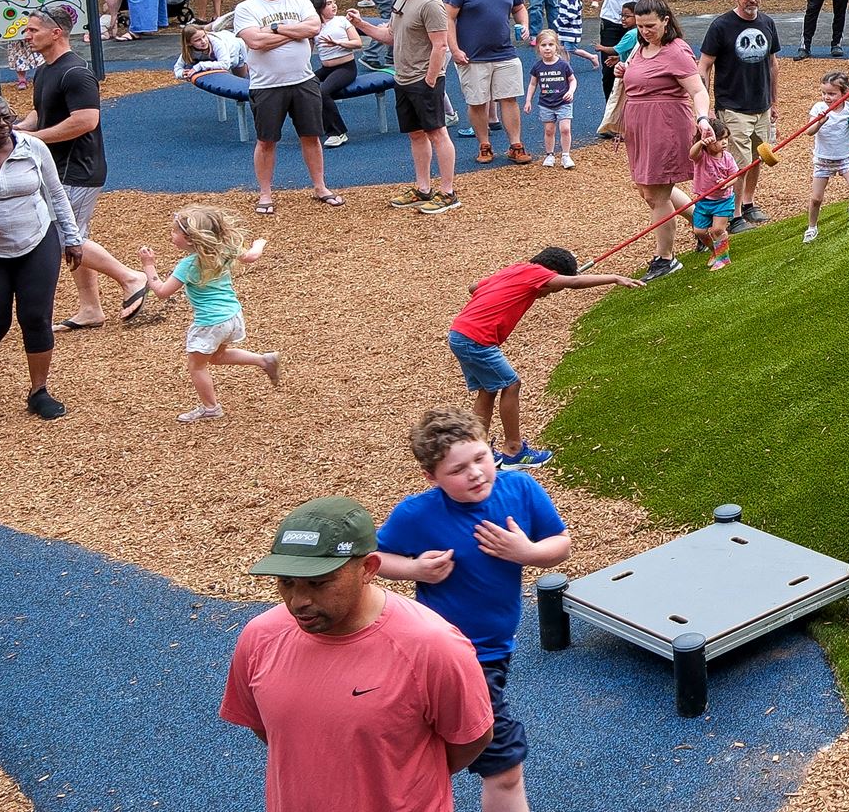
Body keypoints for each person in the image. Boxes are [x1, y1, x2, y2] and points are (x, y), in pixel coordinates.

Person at [222, 496, 495, 812]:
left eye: (318, 583)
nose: (298, 601)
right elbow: (267, 729)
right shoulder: (259, 638)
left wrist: (401, 779)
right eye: (286, 582)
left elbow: (472, 738)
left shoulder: (433, 646)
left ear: (368, 568)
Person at [375, 411, 574, 812]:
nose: (477, 474)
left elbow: (561, 543)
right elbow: (373, 557)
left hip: (493, 652)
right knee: (504, 767)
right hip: (443, 653)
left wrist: (529, 553)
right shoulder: (418, 514)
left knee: (432, 753)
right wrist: (413, 569)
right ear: (432, 477)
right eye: (458, 469)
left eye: (481, 458)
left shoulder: (520, 488)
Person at [13, 6, 146, 331]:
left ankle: (131, 278)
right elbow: (41, 112)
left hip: (79, 168)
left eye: (33, 30)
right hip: (58, 168)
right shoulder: (46, 71)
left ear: (56, 33)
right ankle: (90, 309)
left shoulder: (75, 73)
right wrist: (16, 131)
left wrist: (34, 140)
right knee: (73, 236)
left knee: (60, 238)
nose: (27, 35)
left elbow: (86, 120)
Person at [448, 247, 638, 463]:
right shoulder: (537, 274)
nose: (547, 293)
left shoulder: (516, 270)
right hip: (477, 339)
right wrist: (614, 278)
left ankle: (476, 450)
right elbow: (573, 283)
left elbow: (474, 288)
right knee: (511, 384)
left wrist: (507, 292)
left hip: (459, 334)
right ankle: (514, 451)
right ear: (553, 273)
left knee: (488, 390)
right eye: (551, 288)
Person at [0, 92, 80, 418]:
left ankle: (39, 391)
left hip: (36, 241)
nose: (2, 125)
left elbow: (55, 194)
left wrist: (72, 238)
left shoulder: (31, 147)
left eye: (6, 117)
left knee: (36, 318)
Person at [131, 203, 280, 422]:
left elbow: (162, 292)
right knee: (217, 356)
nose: (171, 235)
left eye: (175, 232)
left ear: (190, 238)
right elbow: (251, 256)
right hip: (232, 316)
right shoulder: (224, 249)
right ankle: (264, 361)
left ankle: (210, 408)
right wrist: (260, 243)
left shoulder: (188, 265)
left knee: (196, 366)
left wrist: (148, 266)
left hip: (210, 323)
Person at [233, 0, 345, 214]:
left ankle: (320, 186)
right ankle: (265, 193)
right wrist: (290, 30)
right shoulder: (247, 8)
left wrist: (272, 30)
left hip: (303, 80)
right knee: (266, 140)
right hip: (267, 85)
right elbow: (255, 42)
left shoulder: (299, 1)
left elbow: (313, 28)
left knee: (311, 135)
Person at [353, 0, 461, 214]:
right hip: (402, 77)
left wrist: (430, 80)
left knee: (437, 132)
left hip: (423, 79)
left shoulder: (430, 3)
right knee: (415, 134)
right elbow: (390, 36)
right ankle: (423, 188)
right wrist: (361, 24)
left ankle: (448, 192)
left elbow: (440, 46)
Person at [620, 0, 716, 282]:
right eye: (640, 26)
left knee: (655, 193)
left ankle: (666, 258)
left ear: (665, 21)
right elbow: (639, 76)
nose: (645, 31)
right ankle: (703, 223)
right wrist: (624, 71)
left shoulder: (675, 51)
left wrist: (702, 119)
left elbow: (698, 91)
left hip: (665, 125)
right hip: (640, 127)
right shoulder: (640, 47)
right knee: (647, 187)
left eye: (650, 25)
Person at [699, 0, 781, 224]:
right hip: (733, 105)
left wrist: (774, 101)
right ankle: (732, 215)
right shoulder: (721, 26)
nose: (752, 0)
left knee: (757, 157)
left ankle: (748, 203)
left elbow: (773, 64)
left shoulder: (767, 23)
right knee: (737, 162)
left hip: (761, 104)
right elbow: (704, 66)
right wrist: (708, 107)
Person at [446, 0, 531, 168]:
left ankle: (515, 144)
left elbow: (519, 8)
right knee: (477, 101)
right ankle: (484, 144)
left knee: (510, 97)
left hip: (504, 51)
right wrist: (454, 49)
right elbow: (448, 18)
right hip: (472, 55)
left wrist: (524, 24)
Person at [800, 70, 849, 243]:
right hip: (823, 161)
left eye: (832, 94)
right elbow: (809, 132)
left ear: (844, 93)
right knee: (816, 198)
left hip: (845, 158)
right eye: (824, 93)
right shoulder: (819, 108)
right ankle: (812, 227)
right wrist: (819, 122)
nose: (827, 97)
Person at [595, 0, 660, 102]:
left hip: (637, 23)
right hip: (611, 20)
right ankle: (611, 114)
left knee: (639, 65)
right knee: (609, 70)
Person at [684, 124, 742, 269]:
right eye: (720, 139)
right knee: (699, 232)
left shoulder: (727, 157)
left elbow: (735, 175)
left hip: (723, 200)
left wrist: (727, 182)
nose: (725, 142)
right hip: (703, 200)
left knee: (717, 230)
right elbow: (691, 154)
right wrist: (700, 143)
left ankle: (723, 258)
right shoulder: (701, 156)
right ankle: (715, 252)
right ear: (708, 141)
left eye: (726, 138)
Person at [311, 0, 363, 147]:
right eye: (328, 3)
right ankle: (315, 126)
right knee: (304, 87)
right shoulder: (315, 27)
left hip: (346, 68)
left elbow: (357, 43)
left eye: (334, 2)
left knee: (323, 92)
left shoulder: (341, 21)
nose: (333, 6)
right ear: (319, 7)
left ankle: (338, 132)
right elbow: (307, 50)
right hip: (326, 69)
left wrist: (339, 43)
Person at [526, 30, 576, 167]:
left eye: (551, 45)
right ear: (538, 48)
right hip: (546, 104)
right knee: (549, 130)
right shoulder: (537, 67)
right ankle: (550, 154)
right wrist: (528, 100)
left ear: (556, 47)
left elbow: (572, 80)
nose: (547, 48)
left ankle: (566, 155)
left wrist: (571, 91)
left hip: (563, 102)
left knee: (565, 128)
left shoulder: (563, 65)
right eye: (543, 45)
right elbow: (532, 84)